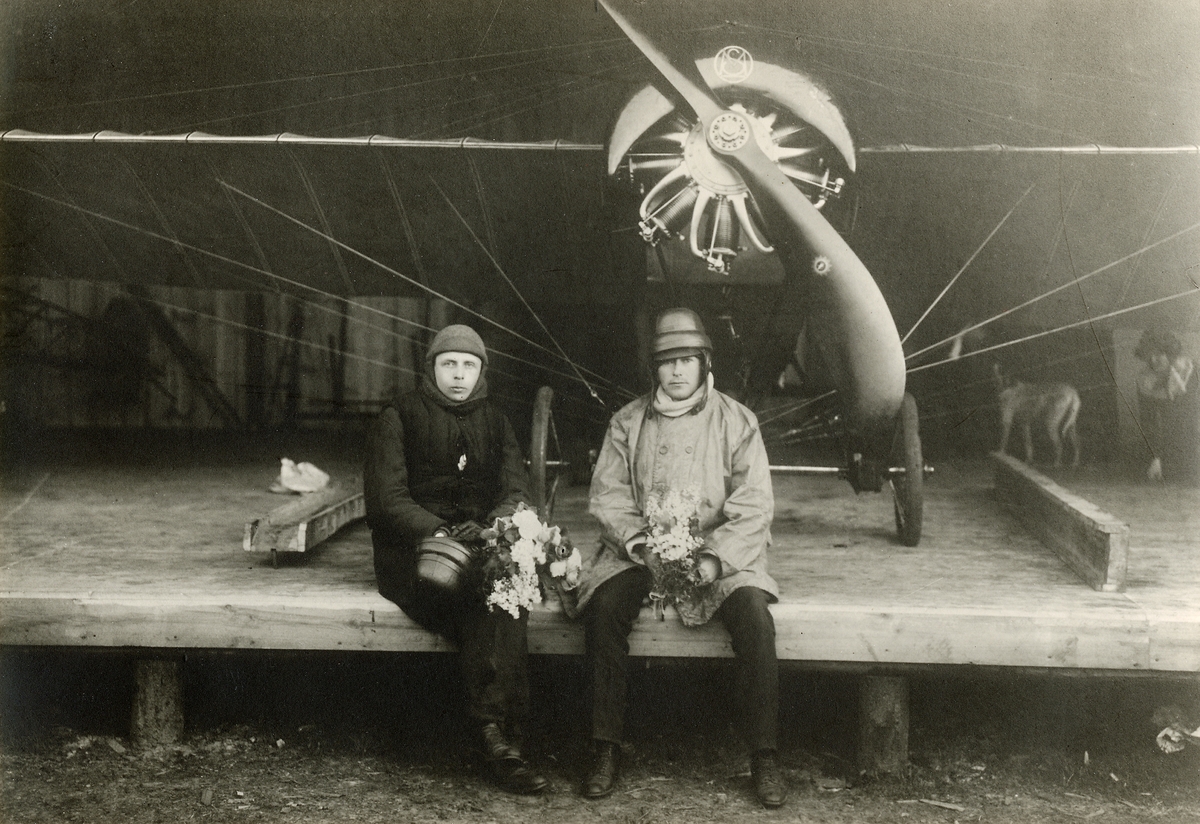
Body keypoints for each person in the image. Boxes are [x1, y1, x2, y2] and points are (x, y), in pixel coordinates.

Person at [574, 307, 786, 808]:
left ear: (704, 363)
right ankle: (604, 745)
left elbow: (754, 505)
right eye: (667, 362)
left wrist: (714, 560)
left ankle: (765, 755)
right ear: (654, 369)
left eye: (686, 360)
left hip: (717, 550)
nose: (676, 371)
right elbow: (607, 496)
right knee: (604, 610)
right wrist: (641, 545)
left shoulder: (737, 421)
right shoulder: (627, 422)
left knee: (755, 615)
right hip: (641, 550)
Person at [363, 323, 547, 794]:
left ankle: (499, 731)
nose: (459, 375)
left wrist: (489, 528)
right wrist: (439, 530)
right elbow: (387, 499)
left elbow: (514, 490)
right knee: (485, 597)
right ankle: (495, 732)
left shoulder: (495, 419)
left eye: (469, 365)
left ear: (482, 371)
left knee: (507, 587)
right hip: (413, 554)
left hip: (477, 544)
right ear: (432, 368)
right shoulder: (398, 416)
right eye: (449, 364)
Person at [1135, 329, 1196, 482]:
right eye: (1149, 356)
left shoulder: (1189, 372)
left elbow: (1192, 418)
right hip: (1169, 451)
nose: (1154, 360)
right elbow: (1149, 422)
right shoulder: (1145, 381)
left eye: (1159, 354)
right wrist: (1155, 458)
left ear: (1170, 354)